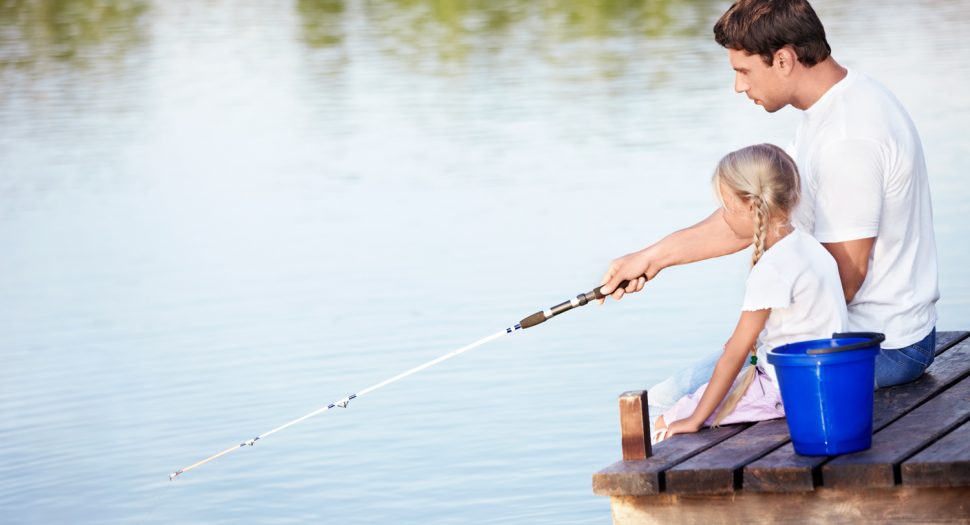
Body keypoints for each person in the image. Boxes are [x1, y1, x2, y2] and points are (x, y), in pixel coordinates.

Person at [599, 0, 939, 415]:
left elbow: (844, 275)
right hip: (847, 333)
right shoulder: (832, 108)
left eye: (743, 71)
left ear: (783, 60)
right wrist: (651, 258)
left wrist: (753, 344)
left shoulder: (850, 138)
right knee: (670, 400)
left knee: (664, 407)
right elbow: (755, 215)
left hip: (879, 347)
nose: (738, 87)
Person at [652, 143, 847, 442]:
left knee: (664, 422)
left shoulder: (773, 267)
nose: (725, 217)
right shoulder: (807, 246)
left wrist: (694, 419)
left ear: (752, 207)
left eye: (727, 208)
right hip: (825, 381)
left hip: (787, 390)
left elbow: (735, 354)